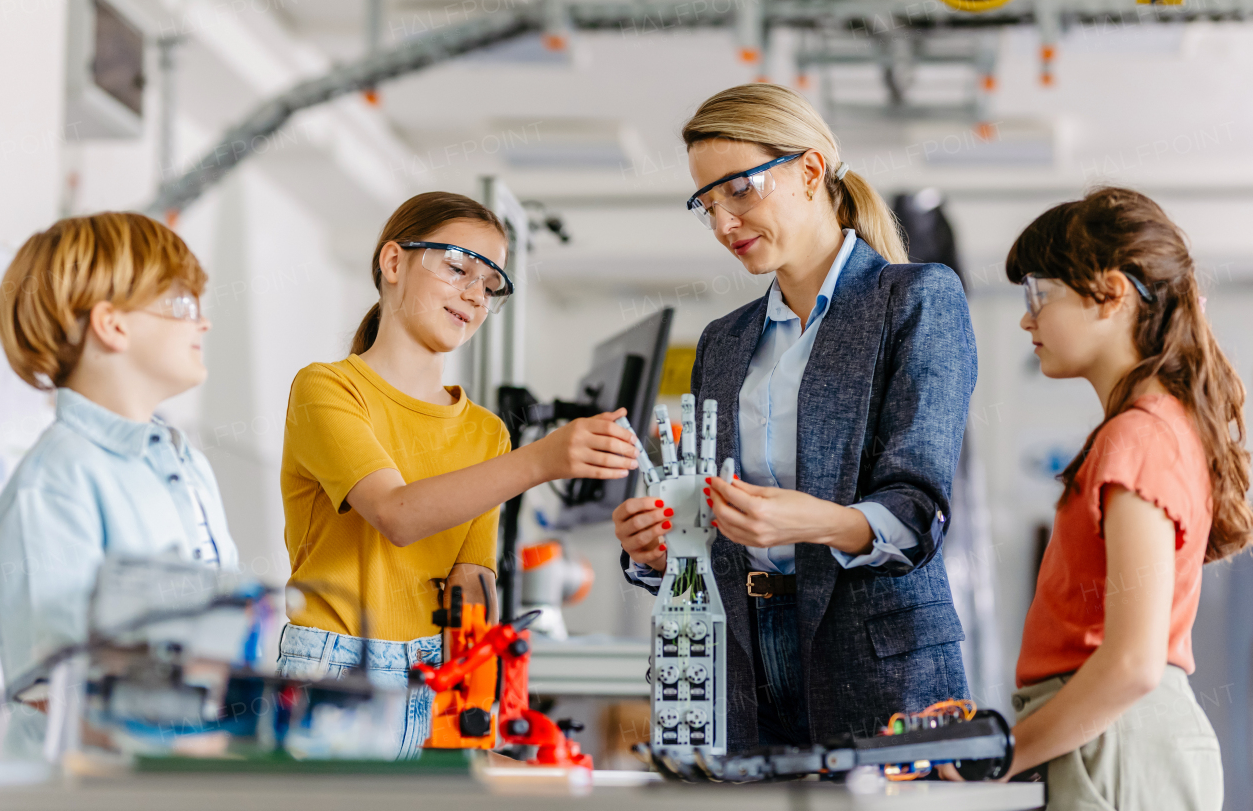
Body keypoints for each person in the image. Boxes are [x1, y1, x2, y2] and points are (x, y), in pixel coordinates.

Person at [613, 84, 978, 750]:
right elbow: (715, 530)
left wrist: (808, 518)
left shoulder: (915, 300)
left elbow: (919, 515)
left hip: (874, 656)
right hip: (740, 656)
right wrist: (662, 551)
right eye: (708, 203)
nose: (725, 224)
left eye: (740, 191)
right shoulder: (725, 340)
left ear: (810, 170)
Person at [277, 191, 638, 757]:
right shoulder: (327, 388)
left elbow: (471, 583)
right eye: (457, 267)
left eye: (491, 283)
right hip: (336, 667)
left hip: (433, 674)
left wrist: (481, 701)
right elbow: (396, 514)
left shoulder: (487, 433)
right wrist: (542, 459)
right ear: (393, 263)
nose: (475, 293)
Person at [944, 188, 1243, 809]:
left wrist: (1004, 759)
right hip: (1114, 733)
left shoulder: (1136, 435)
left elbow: (1132, 663)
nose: (1027, 318)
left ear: (1110, 293)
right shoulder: (1157, 427)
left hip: (1117, 737)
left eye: (1038, 294)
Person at [0, 212, 237, 758]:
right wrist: (192, 748)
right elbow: (52, 689)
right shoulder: (55, 481)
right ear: (113, 325)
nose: (203, 323)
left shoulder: (187, 465)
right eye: (181, 303)